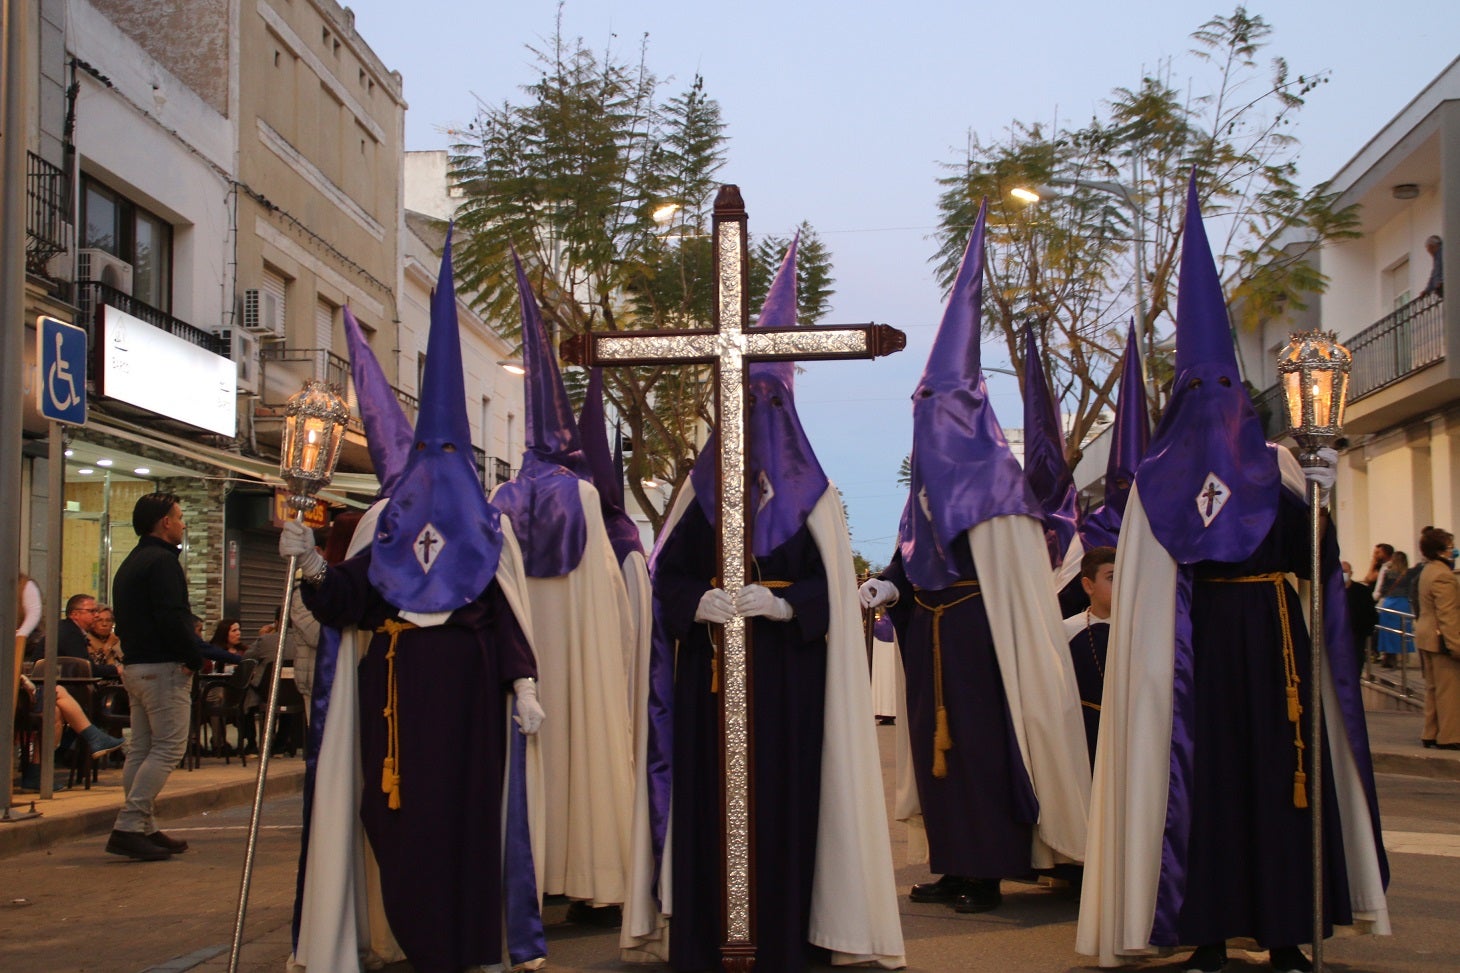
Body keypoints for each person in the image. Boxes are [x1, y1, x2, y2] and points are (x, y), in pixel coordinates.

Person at [1076, 177, 1389, 973]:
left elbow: (1315, 564)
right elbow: (1149, 586)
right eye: (1198, 389)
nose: (1213, 406)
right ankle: (1205, 934)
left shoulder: (1282, 465)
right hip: (1193, 662)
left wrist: (1317, 493)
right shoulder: (1154, 480)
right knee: (1199, 791)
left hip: (1279, 651)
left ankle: (1285, 935)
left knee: (1285, 787)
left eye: (1225, 389)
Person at [629, 238, 903, 972]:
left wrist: (785, 609)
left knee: (787, 809)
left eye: (769, 397)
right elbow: (667, 579)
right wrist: (701, 603)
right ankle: (707, 940)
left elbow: (829, 590)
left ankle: (785, 943)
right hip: (711, 684)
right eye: (747, 397)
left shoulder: (818, 497)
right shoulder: (700, 492)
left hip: (791, 685)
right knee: (711, 814)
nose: (758, 410)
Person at [286, 235, 546, 973]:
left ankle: (464, 944)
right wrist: (307, 559)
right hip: (393, 694)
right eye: (423, 453)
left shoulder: (488, 526)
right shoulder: (390, 524)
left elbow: (502, 614)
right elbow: (352, 599)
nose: (433, 469)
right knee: (393, 816)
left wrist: (521, 682)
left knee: (466, 819)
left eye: (445, 452)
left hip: (468, 698)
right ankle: (411, 931)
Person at [859, 201, 1089, 918]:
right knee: (934, 757)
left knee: (984, 752)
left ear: (965, 413)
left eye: (936, 403)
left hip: (983, 644)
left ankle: (988, 868)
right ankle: (954, 863)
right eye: (920, 402)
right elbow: (913, 555)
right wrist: (886, 587)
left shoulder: (994, 481)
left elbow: (1016, 575)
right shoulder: (927, 487)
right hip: (929, 638)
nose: (924, 415)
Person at [492, 255, 635, 914]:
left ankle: (530, 875)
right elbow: (607, 590)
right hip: (580, 661)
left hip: (522, 665)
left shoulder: (499, 496)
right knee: (586, 754)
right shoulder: (581, 497)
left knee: (528, 763)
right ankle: (589, 877)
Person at [106, 492, 206, 862]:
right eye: (179, 517)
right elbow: (171, 616)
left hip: (136, 667)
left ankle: (144, 826)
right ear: (165, 522)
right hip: (163, 667)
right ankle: (130, 825)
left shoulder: (132, 561)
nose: (182, 524)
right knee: (167, 748)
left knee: (144, 749)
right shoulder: (162, 562)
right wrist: (193, 657)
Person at [1063, 546, 1116, 767]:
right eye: (1112, 577)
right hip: (1085, 736)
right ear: (1088, 585)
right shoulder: (1067, 631)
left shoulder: (1141, 631)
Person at [1414, 527, 1460, 749]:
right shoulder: (1444, 575)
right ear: (1441, 551)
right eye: (1451, 548)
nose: (1453, 552)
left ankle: (1430, 731)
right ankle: (1450, 736)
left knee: (1432, 688)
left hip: (1425, 636)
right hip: (1440, 638)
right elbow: (1448, 615)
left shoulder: (1428, 570)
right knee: (1449, 690)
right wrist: (1456, 645)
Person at [57, 593, 120, 680]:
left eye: (109, 620)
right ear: (75, 614)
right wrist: (116, 669)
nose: (96, 615)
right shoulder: (71, 634)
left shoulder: (70, 629)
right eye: (92, 611)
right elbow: (87, 668)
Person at [1374, 551, 1413, 669]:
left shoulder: (1388, 573)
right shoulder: (1409, 574)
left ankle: (1389, 656)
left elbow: (1383, 589)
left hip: (1389, 603)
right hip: (1403, 604)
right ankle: (1398, 655)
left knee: (1388, 632)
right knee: (1401, 631)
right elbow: (1411, 590)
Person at [1343, 561, 1379, 671]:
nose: (1342, 574)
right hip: (1338, 638)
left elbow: (1370, 613)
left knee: (1355, 666)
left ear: (1351, 573)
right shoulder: (1330, 591)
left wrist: (1367, 631)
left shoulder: (1362, 591)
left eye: (1344, 571)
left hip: (1357, 636)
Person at [86, 604, 124, 674]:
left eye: (108, 620)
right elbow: (92, 667)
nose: (104, 624)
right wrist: (108, 645)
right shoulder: (86, 641)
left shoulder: (117, 639)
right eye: (99, 620)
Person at [1420, 234, 1443, 299]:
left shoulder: (1442, 253)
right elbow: (1434, 276)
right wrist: (1427, 290)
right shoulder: (1436, 258)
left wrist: (1442, 281)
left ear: (1433, 246)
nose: (1430, 254)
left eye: (1430, 250)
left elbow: (1449, 268)